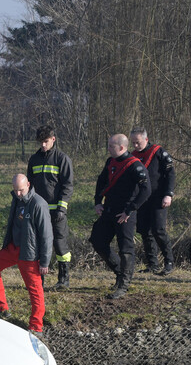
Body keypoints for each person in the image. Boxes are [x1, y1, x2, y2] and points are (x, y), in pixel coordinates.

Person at [0, 174, 53, 333]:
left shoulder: (39, 204)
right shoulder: (16, 199)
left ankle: (36, 326)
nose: (18, 194)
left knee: (35, 290)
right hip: (12, 248)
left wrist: (44, 262)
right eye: (15, 190)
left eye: (21, 190)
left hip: (29, 254)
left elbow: (47, 235)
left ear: (28, 185)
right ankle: (1, 308)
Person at [89, 134, 151, 299]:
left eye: (111, 146)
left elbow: (146, 190)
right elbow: (101, 180)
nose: (108, 149)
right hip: (108, 210)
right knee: (98, 240)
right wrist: (97, 201)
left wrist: (131, 210)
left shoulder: (135, 166)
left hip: (125, 214)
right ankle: (119, 272)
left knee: (126, 250)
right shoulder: (110, 162)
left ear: (122, 147)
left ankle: (124, 284)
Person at [26, 125, 74, 290]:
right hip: (38, 211)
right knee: (38, 244)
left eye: (46, 142)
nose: (43, 145)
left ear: (53, 139)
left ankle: (63, 279)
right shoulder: (34, 159)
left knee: (60, 244)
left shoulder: (62, 159)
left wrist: (62, 207)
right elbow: (29, 184)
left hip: (57, 211)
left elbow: (68, 186)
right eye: (41, 142)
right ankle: (40, 281)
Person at [130, 126, 176, 275]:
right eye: (133, 143)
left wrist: (168, 194)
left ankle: (169, 262)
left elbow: (170, 173)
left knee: (158, 229)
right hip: (142, 199)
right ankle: (152, 264)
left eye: (138, 142)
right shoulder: (133, 156)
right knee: (145, 231)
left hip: (159, 197)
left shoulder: (158, 152)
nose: (135, 146)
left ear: (146, 139)